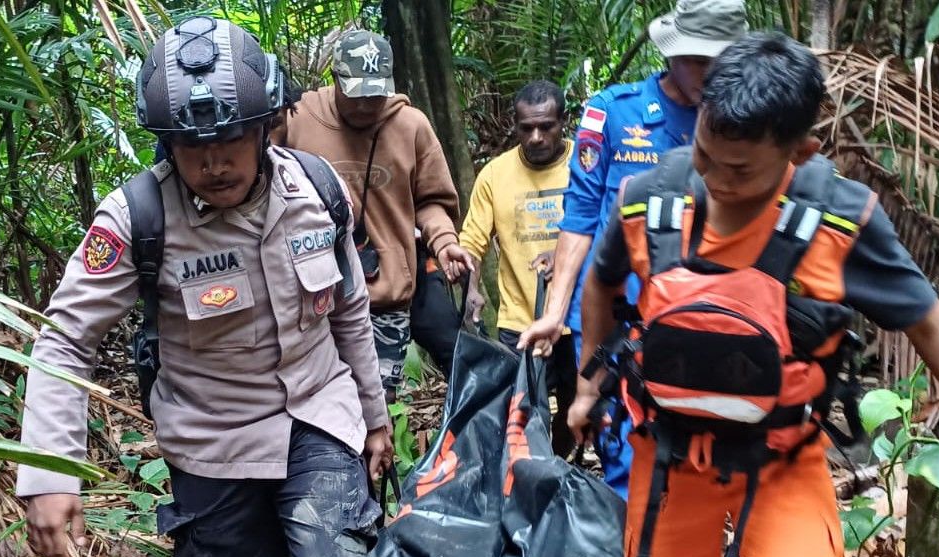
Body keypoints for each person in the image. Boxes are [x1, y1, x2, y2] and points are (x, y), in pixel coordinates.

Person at [521, 31, 939, 557]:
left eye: (739, 170)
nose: (712, 178)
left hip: (784, 456)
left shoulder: (837, 219)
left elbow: (932, 324)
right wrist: (586, 387)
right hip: (668, 451)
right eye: (706, 152)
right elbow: (604, 283)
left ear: (800, 153)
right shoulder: (656, 192)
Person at [15, 18, 391, 557]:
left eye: (231, 141)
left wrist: (377, 416)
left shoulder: (319, 192)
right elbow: (63, 342)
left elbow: (351, 310)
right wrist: (48, 474)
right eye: (193, 147)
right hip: (210, 440)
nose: (214, 162)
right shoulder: (136, 220)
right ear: (165, 145)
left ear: (268, 127)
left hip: (318, 415)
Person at [555, 0, 748, 498]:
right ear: (671, 54)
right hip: (617, 315)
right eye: (697, 61)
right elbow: (579, 218)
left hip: (708, 316)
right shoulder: (614, 112)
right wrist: (555, 311)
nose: (708, 75)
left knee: (702, 447)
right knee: (625, 445)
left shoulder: (748, 125)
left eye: (720, 62)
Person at [279, 30, 479, 397]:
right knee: (319, 405)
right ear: (335, 79)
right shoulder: (297, 119)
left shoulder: (411, 126)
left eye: (376, 94)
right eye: (357, 94)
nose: (367, 105)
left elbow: (431, 200)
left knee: (377, 405)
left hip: (384, 295)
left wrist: (445, 241)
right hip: (314, 296)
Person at [458, 80, 576, 456]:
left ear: (564, 121)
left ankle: (563, 474)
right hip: (518, 322)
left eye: (547, 126)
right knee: (525, 413)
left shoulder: (585, 164)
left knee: (575, 411)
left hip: (576, 320)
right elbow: (472, 241)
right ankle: (531, 485)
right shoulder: (495, 175)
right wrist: (472, 287)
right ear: (515, 125)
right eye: (526, 128)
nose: (537, 137)